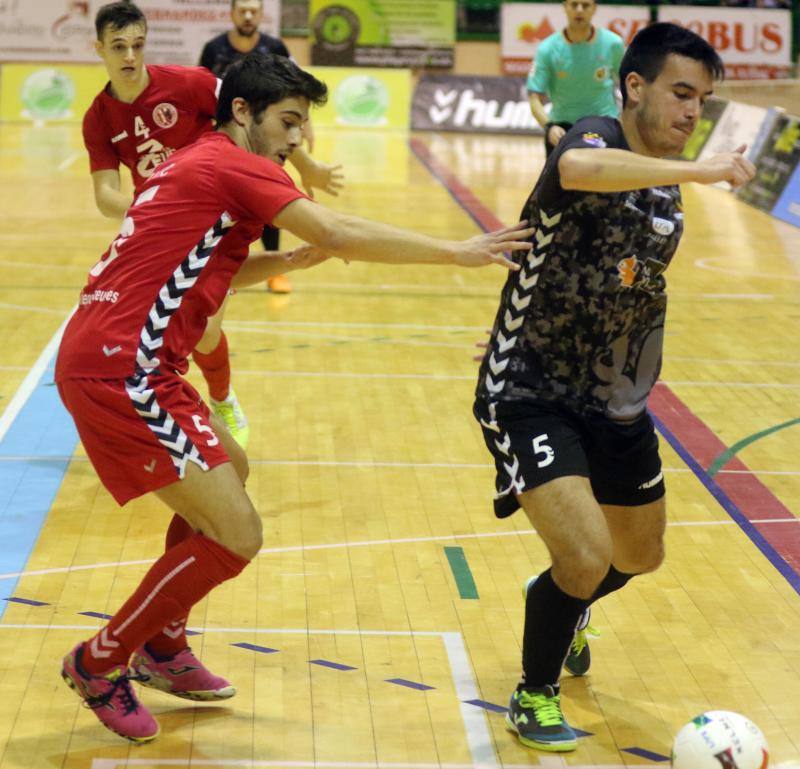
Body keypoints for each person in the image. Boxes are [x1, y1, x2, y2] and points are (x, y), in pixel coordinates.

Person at [56, 51, 534, 744]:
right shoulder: (234, 162)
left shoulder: (198, 161)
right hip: (122, 367)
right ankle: (100, 660)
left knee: (234, 467)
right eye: (287, 121)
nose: (297, 138)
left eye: (302, 124)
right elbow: (337, 229)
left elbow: (204, 269)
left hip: (128, 357)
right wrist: (457, 251)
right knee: (239, 534)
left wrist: (283, 262)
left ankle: (162, 642)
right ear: (241, 111)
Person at [474, 23, 755, 752]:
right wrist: (706, 170)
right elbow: (577, 171)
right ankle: (534, 692)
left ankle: (560, 603)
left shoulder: (662, 181)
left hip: (617, 400)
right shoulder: (594, 138)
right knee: (585, 552)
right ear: (634, 86)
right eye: (681, 93)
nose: (693, 111)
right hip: (531, 390)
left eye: (703, 100)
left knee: (639, 555)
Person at [82, 1, 340, 447]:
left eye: (138, 45)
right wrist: (153, 208)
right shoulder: (98, 118)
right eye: (119, 46)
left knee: (204, 331)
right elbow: (105, 195)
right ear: (99, 48)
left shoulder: (188, 83)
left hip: (218, 218)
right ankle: (153, 409)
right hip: (160, 233)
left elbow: (262, 110)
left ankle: (220, 400)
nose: (130, 56)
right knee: (151, 330)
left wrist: (307, 166)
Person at [199, 0, 343, 294]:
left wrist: (302, 126)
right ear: (232, 13)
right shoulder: (214, 49)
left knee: (268, 203)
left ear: (261, 15)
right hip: (228, 144)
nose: (248, 16)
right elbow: (203, 92)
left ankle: (273, 271)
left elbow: (297, 89)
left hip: (262, 141)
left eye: (253, 11)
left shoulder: (274, 47)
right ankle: (217, 269)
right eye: (242, 10)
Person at [526, 0, 625, 157]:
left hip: (603, 124)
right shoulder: (547, 48)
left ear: (594, 8)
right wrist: (549, 127)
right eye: (574, 4)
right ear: (565, 7)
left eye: (585, 5)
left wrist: (624, 120)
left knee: (599, 171)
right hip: (562, 129)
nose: (579, 10)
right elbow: (534, 98)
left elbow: (629, 85)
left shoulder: (613, 43)